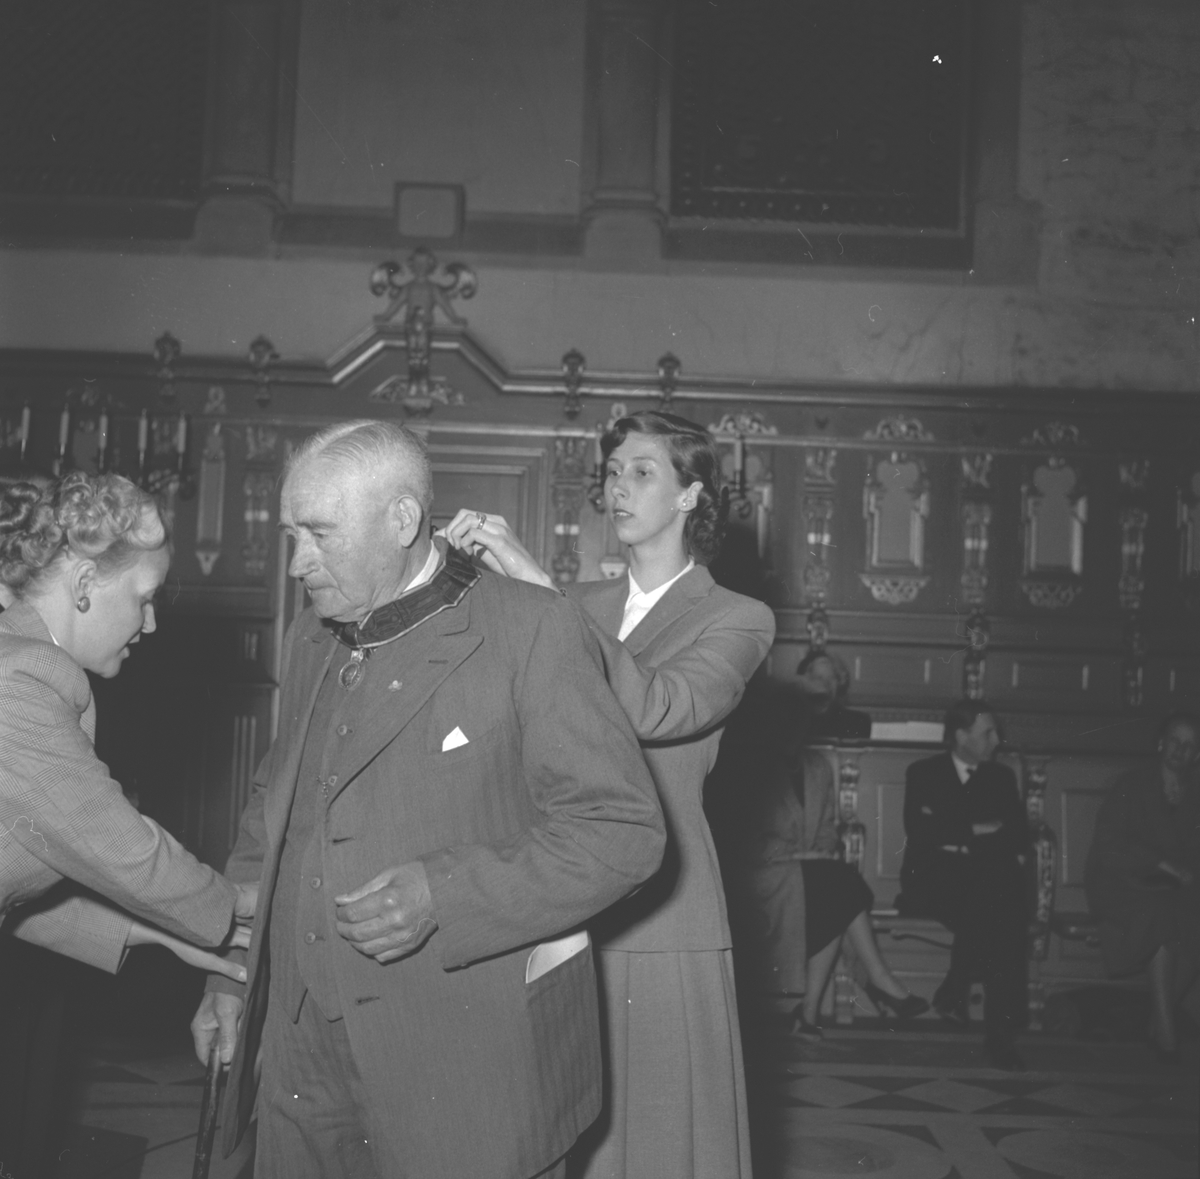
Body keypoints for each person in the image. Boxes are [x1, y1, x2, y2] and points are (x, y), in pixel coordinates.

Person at [190, 419, 665, 1179]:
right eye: (291, 536)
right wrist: (232, 972)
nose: (298, 562)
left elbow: (622, 832)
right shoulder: (310, 637)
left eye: (319, 535)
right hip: (302, 1056)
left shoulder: (532, 628)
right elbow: (272, 816)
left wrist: (443, 895)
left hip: (466, 1063)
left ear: (402, 519)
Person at [446, 409, 775, 1179]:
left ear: (692, 495)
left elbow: (661, 706)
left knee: (658, 1143)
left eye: (642, 471)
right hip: (556, 897)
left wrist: (537, 589)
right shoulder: (578, 601)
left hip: (663, 909)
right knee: (557, 1136)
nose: (617, 486)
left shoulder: (738, 618)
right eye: (613, 471)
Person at [0, 472, 254, 1169]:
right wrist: (233, 908)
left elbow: (19, 894)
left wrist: (161, 935)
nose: (151, 624)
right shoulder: (17, 684)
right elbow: (126, 850)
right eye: (144, 598)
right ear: (84, 583)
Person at [737, 680, 926, 1038]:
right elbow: (744, 843)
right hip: (761, 877)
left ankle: (810, 1015)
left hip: (804, 875)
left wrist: (821, 851)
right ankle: (875, 979)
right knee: (838, 885)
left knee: (834, 890)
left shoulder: (818, 767)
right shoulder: (751, 768)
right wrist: (797, 854)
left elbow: (826, 828)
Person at [896, 700, 1029, 1069]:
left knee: (996, 897)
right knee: (1001, 899)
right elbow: (920, 832)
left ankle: (957, 989)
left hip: (982, 883)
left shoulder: (1001, 777)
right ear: (961, 736)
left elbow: (1017, 835)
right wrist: (979, 829)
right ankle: (999, 1033)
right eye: (988, 733)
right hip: (933, 882)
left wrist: (956, 834)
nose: (997, 740)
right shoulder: (923, 772)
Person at [1085, 712, 1200, 1062]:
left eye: (1189, 745)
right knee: (1161, 917)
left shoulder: (1195, 793)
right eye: (1175, 741)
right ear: (1161, 743)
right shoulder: (1132, 785)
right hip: (1121, 882)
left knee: (1193, 922)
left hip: (1173, 887)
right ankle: (1166, 1037)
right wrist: (1161, 864)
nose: (1180, 750)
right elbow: (1108, 846)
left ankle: (1156, 1021)